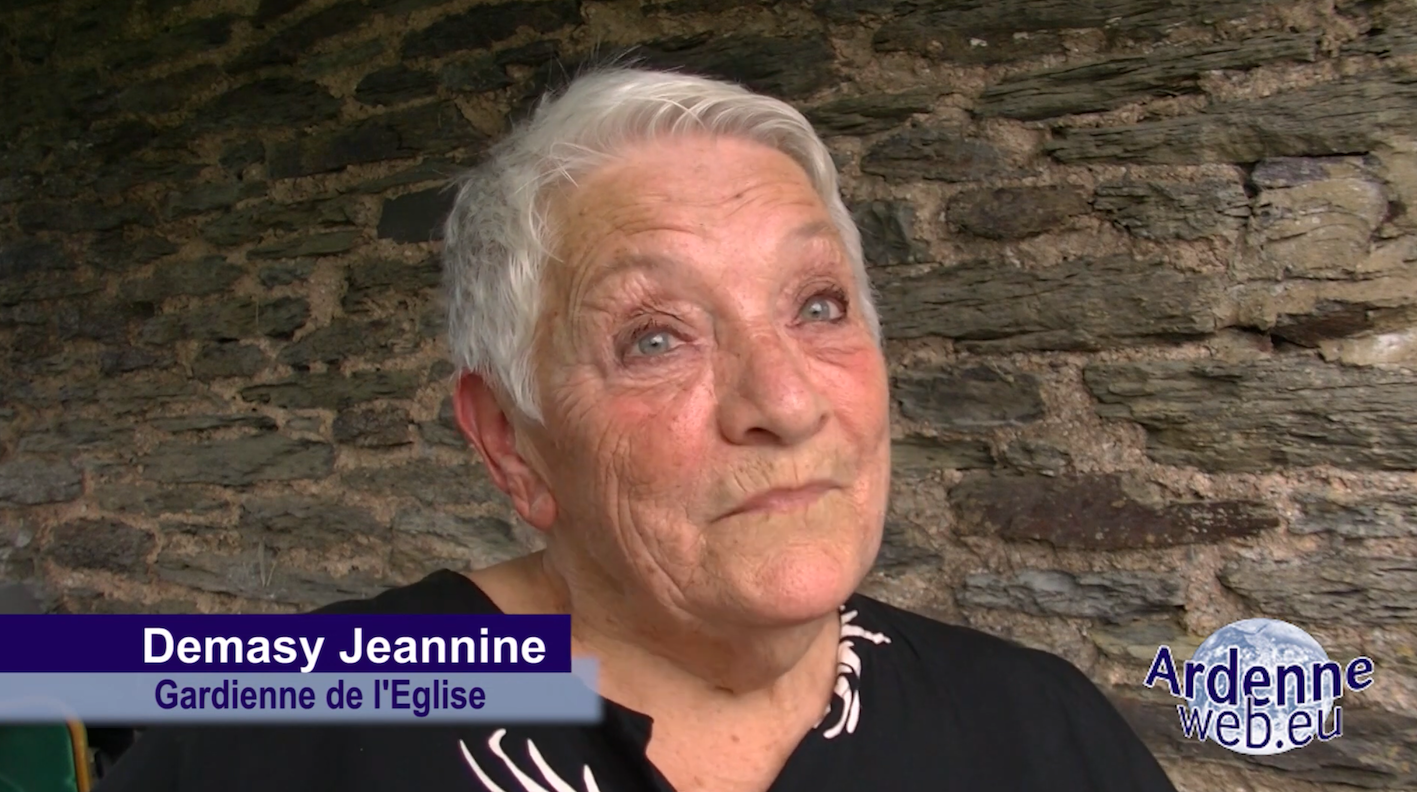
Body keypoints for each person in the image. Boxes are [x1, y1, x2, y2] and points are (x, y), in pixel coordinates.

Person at [98, 67, 1178, 792]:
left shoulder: (1042, 733)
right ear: (511, 441)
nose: (785, 402)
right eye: (656, 337)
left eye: (817, 306)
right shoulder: (285, 736)